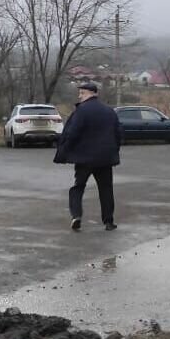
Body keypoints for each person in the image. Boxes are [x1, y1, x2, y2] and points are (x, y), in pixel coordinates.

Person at [55, 82, 123, 231]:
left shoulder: (81, 111)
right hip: (105, 159)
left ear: (93, 93)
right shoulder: (109, 111)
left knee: (78, 188)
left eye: (82, 93)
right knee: (106, 190)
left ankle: (76, 216)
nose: (80, 96)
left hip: (84, 159)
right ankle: (109, 222)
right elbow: (118, 134)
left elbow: (72, 133)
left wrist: (63, 152)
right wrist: (114, 151)